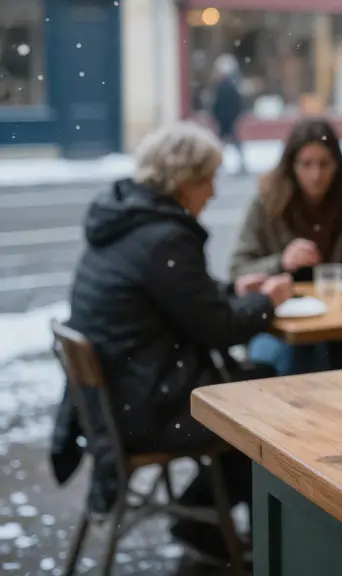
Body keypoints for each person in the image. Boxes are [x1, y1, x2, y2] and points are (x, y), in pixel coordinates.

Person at [50, 122, 293, 563]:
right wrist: (266, 301)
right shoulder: (165, 236)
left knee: (254, 386)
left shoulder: (128, 220)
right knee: (266, 398)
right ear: (185, 184)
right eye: (209, 180)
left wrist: (235, 292)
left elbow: (179, 298)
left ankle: (205, 523)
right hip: (144, 411)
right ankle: (228, 532)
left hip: (112, 405)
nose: (214, 193)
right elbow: (216, 329)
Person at [229, 117, 342, 374]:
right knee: (285, 360)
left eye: (324, 164)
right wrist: (281, 262)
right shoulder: (268, 202)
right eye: (306, 164)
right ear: (292, 165)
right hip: (279, 319)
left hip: (336, 322)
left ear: (337, 166)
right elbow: (238, 270)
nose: (316, 175)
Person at [210, 54, 245, 174]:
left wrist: (219, 116)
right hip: (227, 119)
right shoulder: (230, 86)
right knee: (230, 142)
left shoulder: (224, 87)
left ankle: (219, 163)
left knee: (225, 142)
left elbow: (218, 105)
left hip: (226, 119)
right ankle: (239, 163)